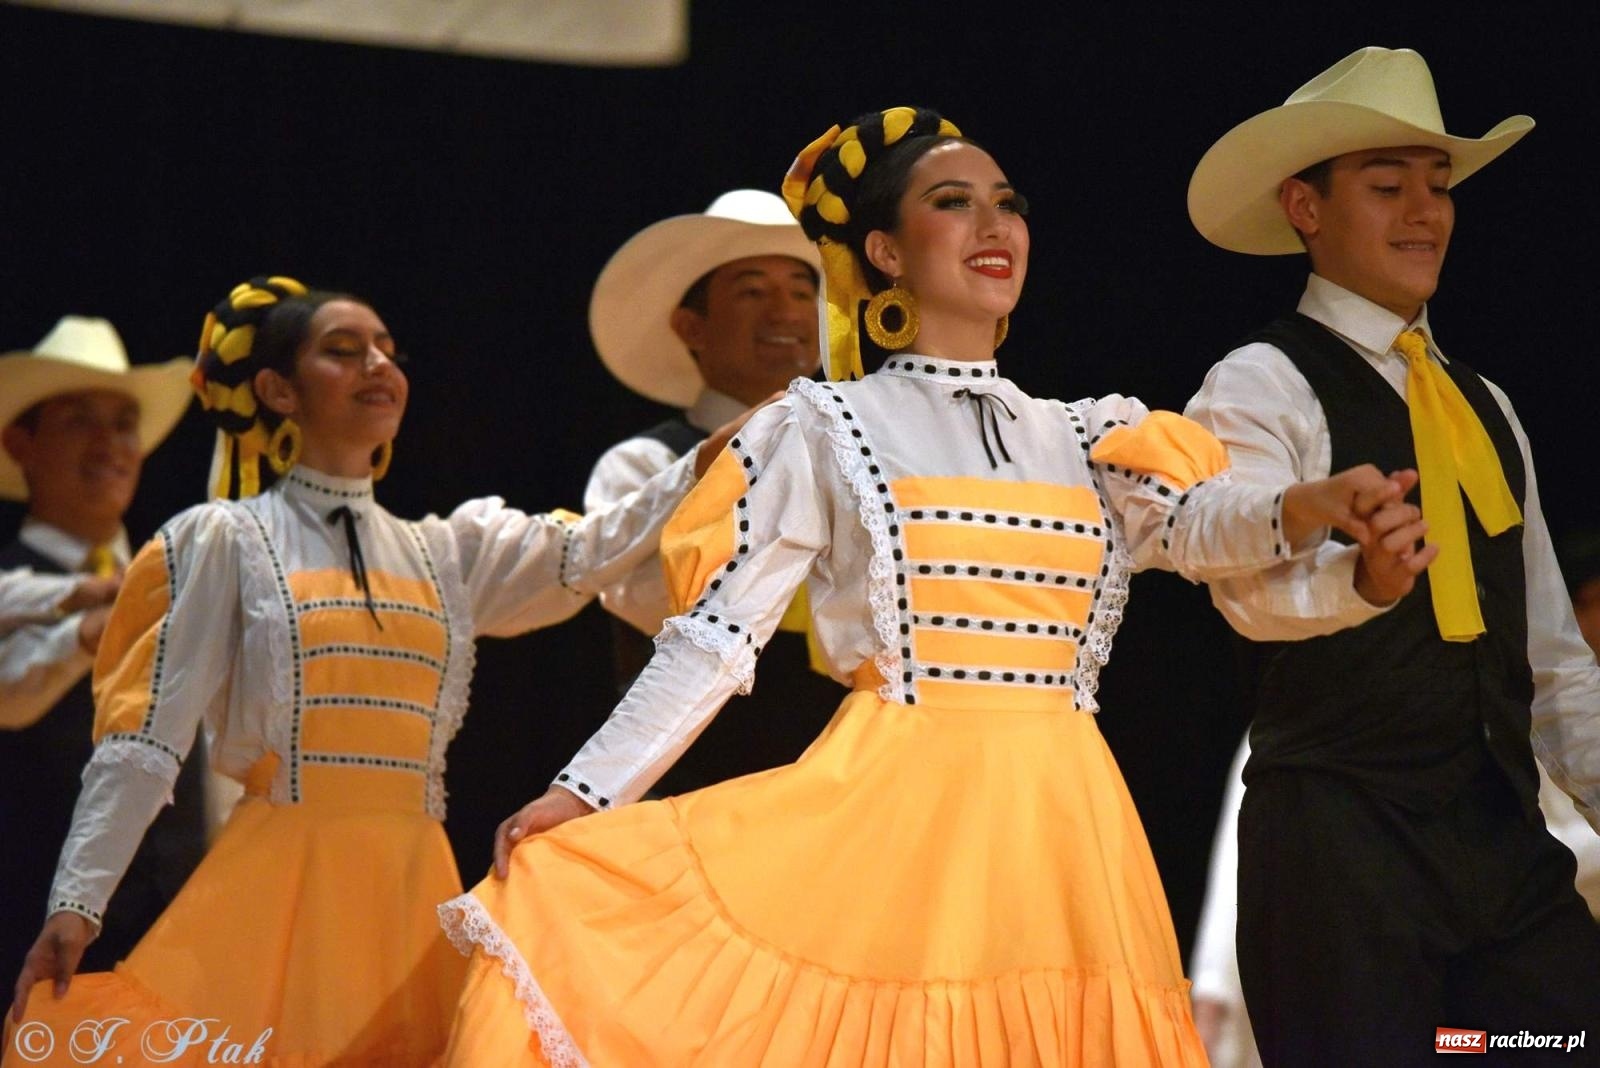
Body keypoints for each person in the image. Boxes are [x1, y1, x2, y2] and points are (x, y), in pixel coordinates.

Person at [438, 106, 1428, 1066]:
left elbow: (1196, 528)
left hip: (1063, 826)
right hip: (896, 815)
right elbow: (711, 640)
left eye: (1007, 200)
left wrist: (1312, 510)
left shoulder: (1088, 435)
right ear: (884, 252)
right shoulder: (822, 427)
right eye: (954, 201)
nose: (995, 224)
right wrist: (582, 794)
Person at [4, 277, 732, 1066]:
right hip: (285, 882)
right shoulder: (228, 539)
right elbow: (144, 743)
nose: (377, 366)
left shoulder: (444, 551)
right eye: (343, 352)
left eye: (388, 350)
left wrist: (715, 456)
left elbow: (591, 551)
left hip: (410, 882)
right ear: (279, 389)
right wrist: (77, 902)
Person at [1185, 46, 1600, 1065]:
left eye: (1437, 185)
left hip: (1497, 852)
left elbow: (1546, 653)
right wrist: (1358, 576)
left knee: (1539, 1044)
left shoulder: (1484, 405)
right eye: (1386, 187)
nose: (1424, 212)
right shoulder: (1261, 381)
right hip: (1341, 850)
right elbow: (1236, 581)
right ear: (1305, 208)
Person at [586, 188, 842, 791]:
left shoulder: (856, 456)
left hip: (839, 780)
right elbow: (643, 596)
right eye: (752, 291)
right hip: (695, 781)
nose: (786, 312)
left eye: (802, 292)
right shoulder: (645, 466)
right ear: (690, 326)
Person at [0, 316, 208, 986]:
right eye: (78, 421)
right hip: (27, 943)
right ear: (18, 442)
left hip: (179, 944)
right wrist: (85, 628)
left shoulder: (176, 584)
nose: (109, 443)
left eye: (123, 423)